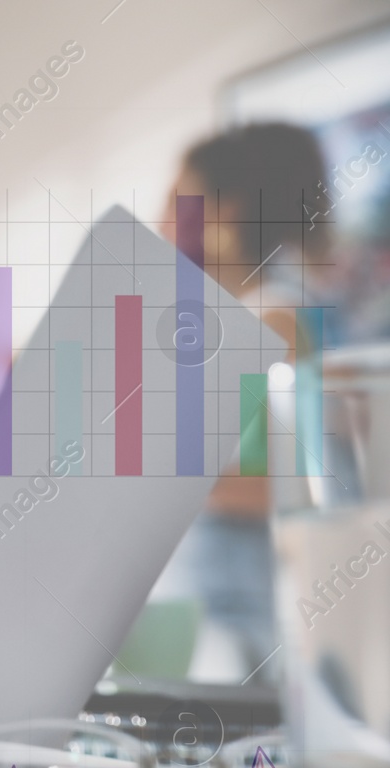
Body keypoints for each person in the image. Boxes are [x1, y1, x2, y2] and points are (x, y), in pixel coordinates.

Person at [148, 123, 330, 682]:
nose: (161, 220)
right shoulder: (220, 323)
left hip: (233, 625)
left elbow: (270, 482)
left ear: (222, 215)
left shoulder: (271, 317)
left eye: (178, 201)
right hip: (195, 612)